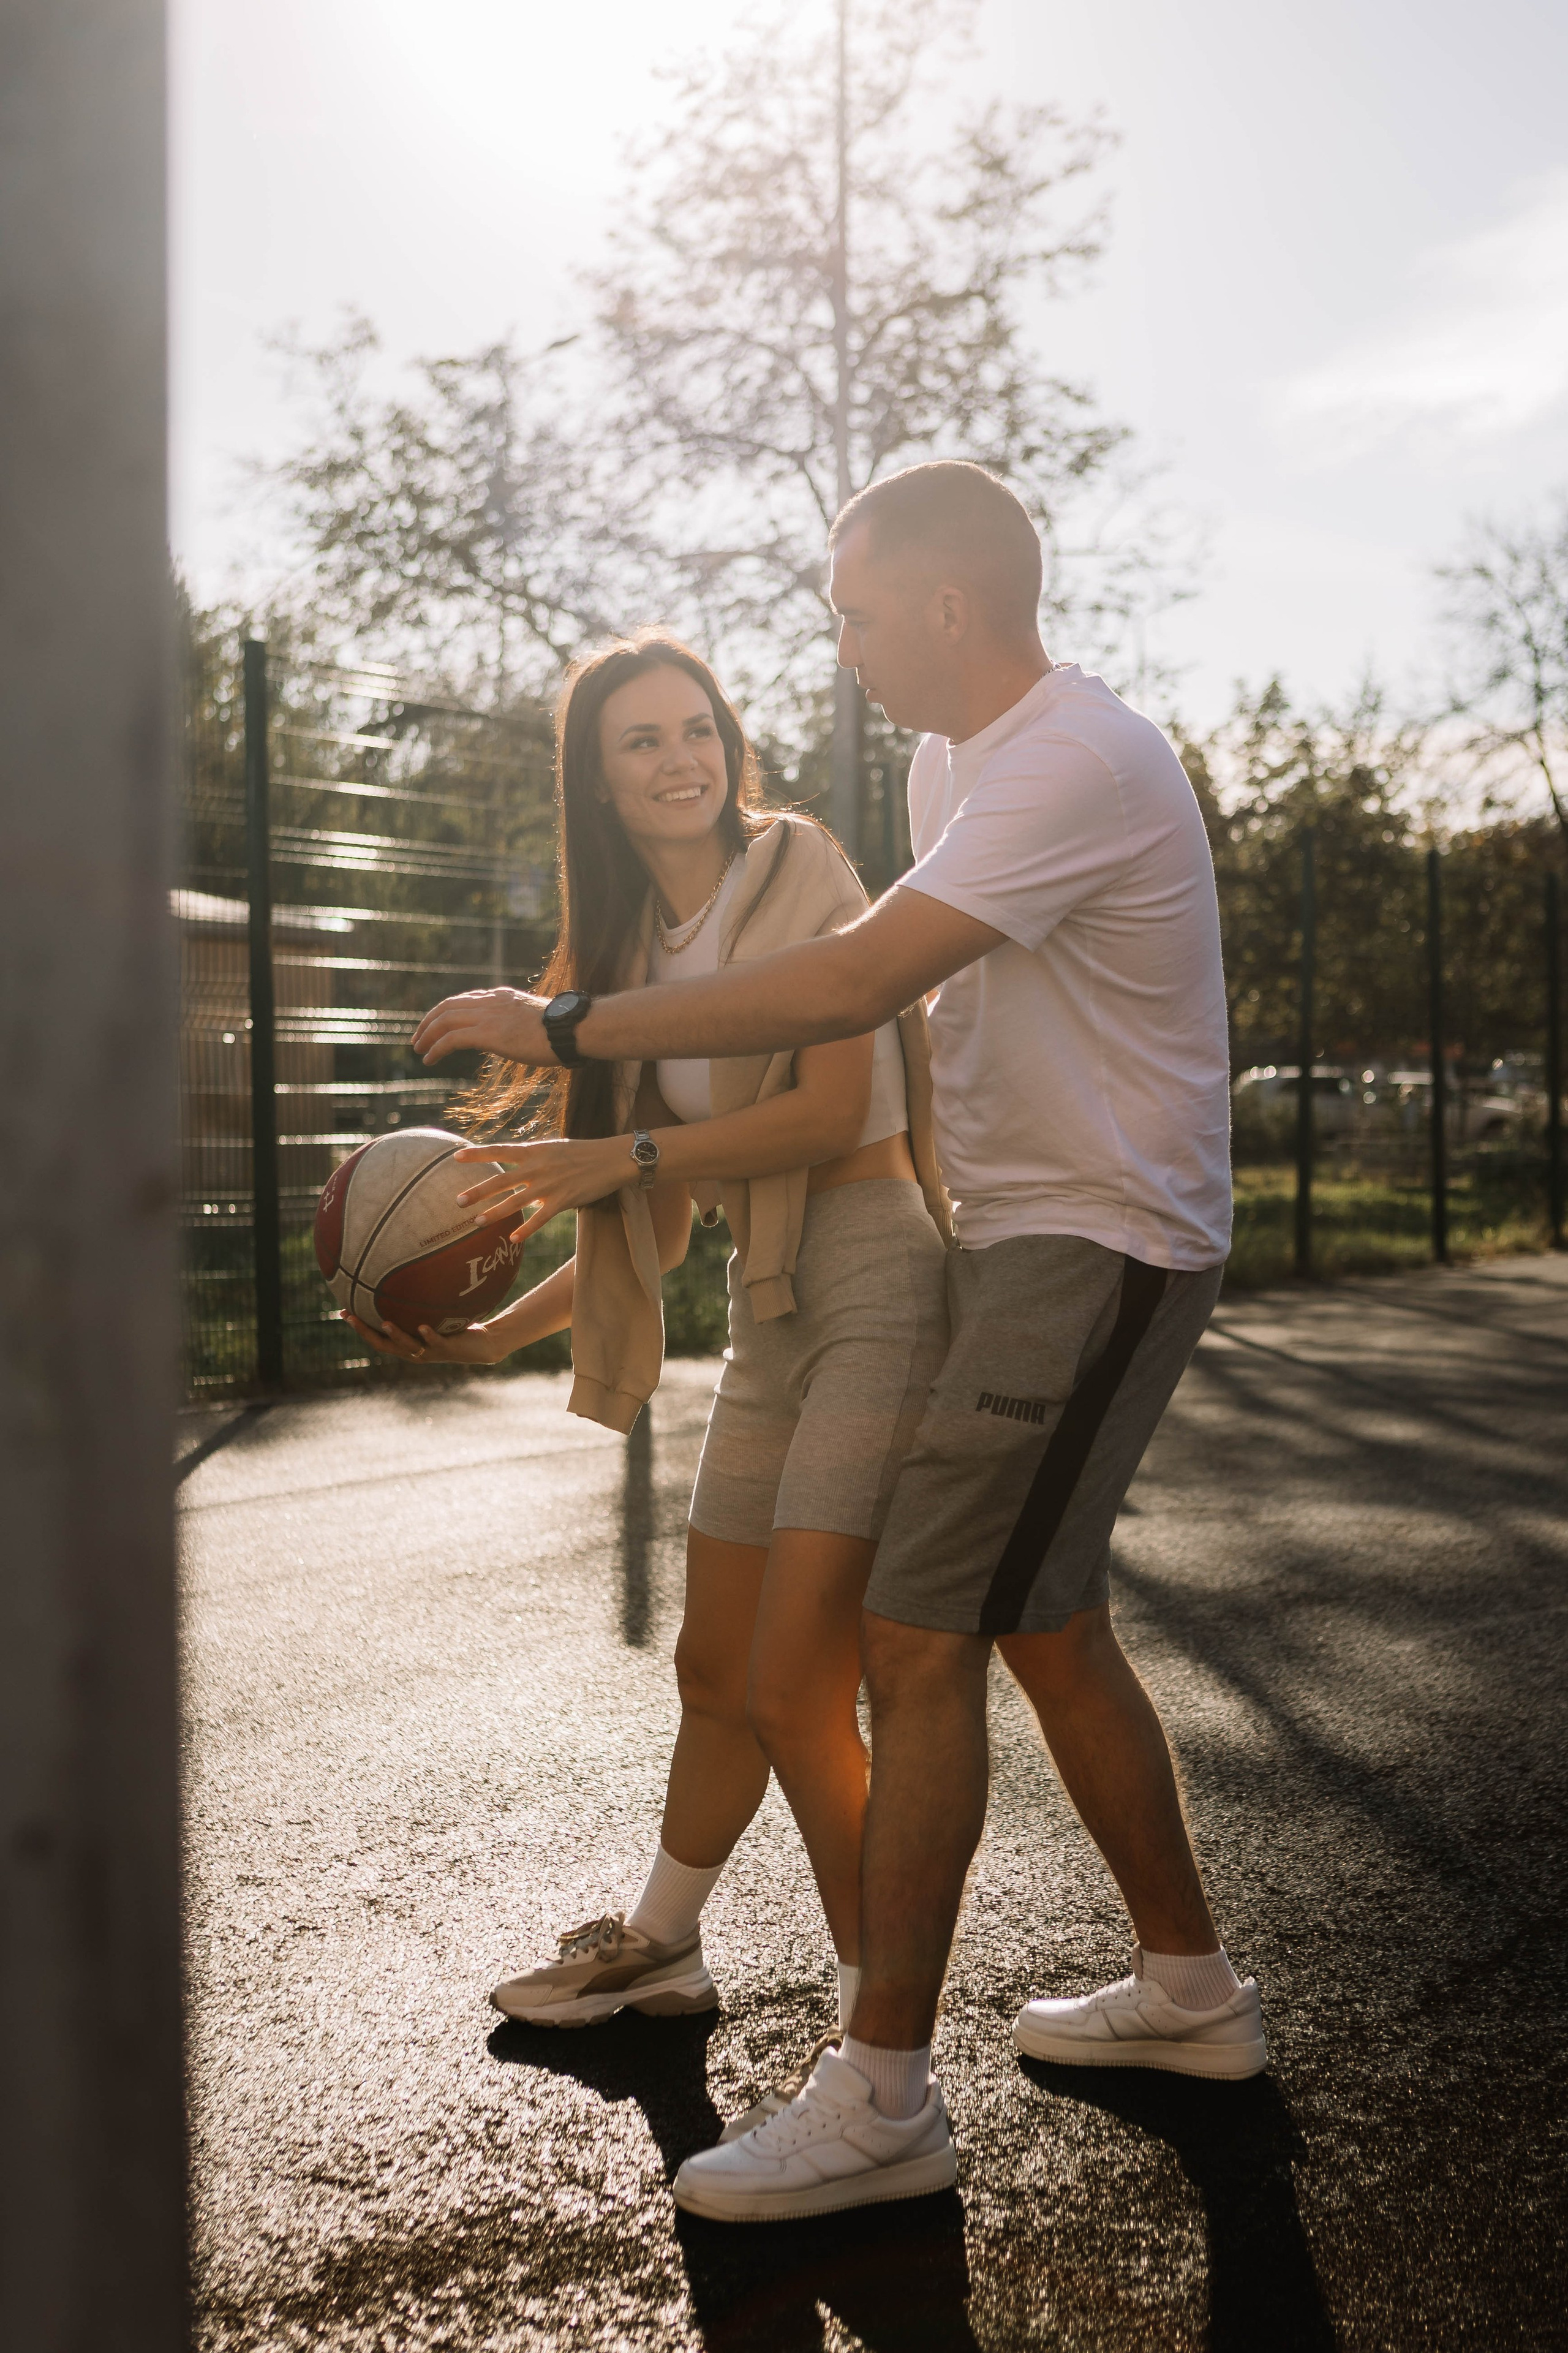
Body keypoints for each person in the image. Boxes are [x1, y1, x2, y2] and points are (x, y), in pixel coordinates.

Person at [410, 462, 1266, 2225]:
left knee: (910, 1632)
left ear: (948, 608)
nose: (841, 646)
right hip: (1026, 1243)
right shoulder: (958, 764)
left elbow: (844, 996)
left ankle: (882, 2094)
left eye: (856, 613)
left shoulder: (1069, 762)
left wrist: (570, 1027)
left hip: (1098, 1243)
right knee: (1039, 1624)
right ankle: (1191, 1997)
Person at [346, 632, 950, 2064]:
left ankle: (883, 2045)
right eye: (640, 741)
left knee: (799, 1683)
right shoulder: (619, 961)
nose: (679, 759)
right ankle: (663, 1948)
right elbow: (655, 1213)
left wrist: (618, 1146)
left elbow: (818, 1117)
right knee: (710, 1668)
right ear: (597, 781)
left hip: (875, 1281)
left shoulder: (798, 866)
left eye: (697, 729)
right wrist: (493, 1328)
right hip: (769, 1308)